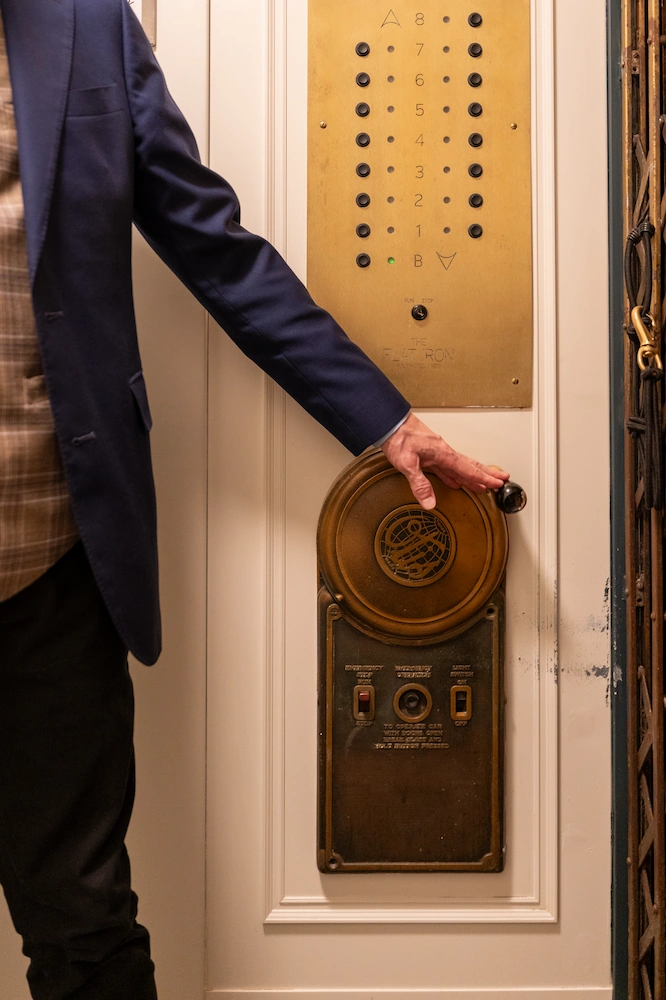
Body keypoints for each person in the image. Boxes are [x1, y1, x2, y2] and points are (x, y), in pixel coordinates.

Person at [0, 1, 508, 997]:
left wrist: (387, 422)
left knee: (82, 916)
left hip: (49, 564)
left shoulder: (85, 27)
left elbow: (216, 246)